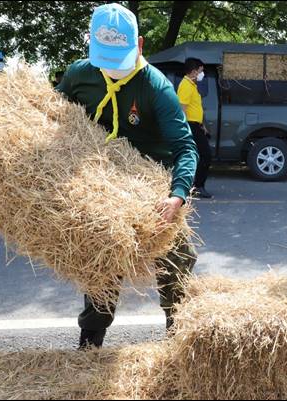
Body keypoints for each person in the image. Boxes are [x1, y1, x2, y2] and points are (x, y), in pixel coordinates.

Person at [56, 3, 199, 348]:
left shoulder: (156, 88)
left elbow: (185, 149)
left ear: (139, 45)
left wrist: (177, 195)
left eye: (118, 58)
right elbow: (53, 118)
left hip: (149, 184)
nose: (112, 69)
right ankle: (91, 339)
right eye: (104, 59)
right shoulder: (79, 75)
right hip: (100, 183)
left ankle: (178, 335)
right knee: (100, 267)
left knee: (178, 259)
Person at [177, 57, 212, 199]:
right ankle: (198, 186)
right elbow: (182, 109)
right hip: (190, 125)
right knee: (205, 155)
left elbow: (194, 108)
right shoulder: (185, 86)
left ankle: (195, 185)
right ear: (193, 71)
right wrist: (185, 129)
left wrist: (202, 126)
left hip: (195, 125)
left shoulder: (191, 85)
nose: (201, 74)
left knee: (200, 156)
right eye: (200, 71)